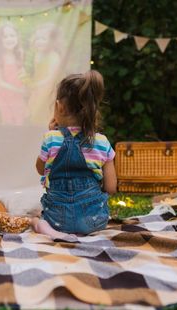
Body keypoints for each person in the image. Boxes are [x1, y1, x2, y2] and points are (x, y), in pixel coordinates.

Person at [32, 70, 117, 239]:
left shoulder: (51, 138)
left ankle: (46, 228)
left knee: (34, 218)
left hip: (57, 220)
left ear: (60, 107)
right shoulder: (102, 142)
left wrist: (53, 133)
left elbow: (40, 170)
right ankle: (82, 227)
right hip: (93, 221)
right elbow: (111, 188)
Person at [0, 23, 27, 125]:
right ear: (0, 40)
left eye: (12, 35)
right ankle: (8, 130)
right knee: (7, 113)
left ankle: (20, 130)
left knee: (19, 110)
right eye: (5, 36)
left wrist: (25, 82)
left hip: (16, 83)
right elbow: (0, 82)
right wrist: (18, 90)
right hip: (2, 88)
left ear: (17, 37)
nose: (9, 39)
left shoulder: (20, 52)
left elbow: (21, 69)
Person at [27, 23, 62, 125]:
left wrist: (37, 85)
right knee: (34, 111)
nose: (39, 42)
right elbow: (37, 72)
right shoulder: (38, 54)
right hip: (38, 87)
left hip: (49, 89)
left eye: (43, 39)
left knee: (45, 111)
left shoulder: (54, 57)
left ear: (52, 41)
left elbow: (51, 78)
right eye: (37, 39)